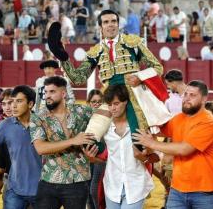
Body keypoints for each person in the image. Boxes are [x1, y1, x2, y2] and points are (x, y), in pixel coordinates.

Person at [48, 9, 167, 142]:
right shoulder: (96, 51)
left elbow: (158, 67)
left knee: (138, 140)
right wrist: (63, 58)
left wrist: (140, 77)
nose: (110, 25)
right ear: (101, 27)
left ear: (118, 24)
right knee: (90, 139)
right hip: (110, 97)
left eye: (113, 21)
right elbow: (78, 78)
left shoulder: (133, 43)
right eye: (106, 22)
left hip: (133, 95)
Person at [132, 80, 213, 208]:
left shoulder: (208, 121)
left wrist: (151, 143)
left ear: (204, 99)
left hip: (204, 191)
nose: (186, 98)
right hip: (178, 188)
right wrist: (142, 91)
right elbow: (158, 129)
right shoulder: (179, 118)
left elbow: (185, 149)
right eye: (185, 94)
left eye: (192, 95)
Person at [84, 85, 154, 209]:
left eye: (116, 103)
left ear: (125, 102)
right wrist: (92, 159)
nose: (113, 108)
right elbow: (106, 158)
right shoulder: (104, 127)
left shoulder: (138, 125)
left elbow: (156, 157)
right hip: (112, 185)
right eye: (109, 105)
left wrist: (147, 152)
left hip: (136, 185)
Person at [30, 76, 95, 208]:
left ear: (63, 93)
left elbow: (106, 116)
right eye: (46, 92)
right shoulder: (38, 117)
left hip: (77, 180)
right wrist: (73, 141)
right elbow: (40, 148)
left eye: (52, 92)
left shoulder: (82, 111)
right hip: (49, 179)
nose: (47, 96)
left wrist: (96, 150)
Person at [0, 85, 42, 208]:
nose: (13, 106)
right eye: (12, 101)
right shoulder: (5, 125)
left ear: (30, 104)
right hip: (14, 190)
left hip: (41, 190)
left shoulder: (43, 123)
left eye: (18, 101)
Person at [0, 89, 13, 199]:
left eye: (10, 102)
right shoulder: (2, 125)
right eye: (3, 104)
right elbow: (2, 156)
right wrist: (0, 179)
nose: (6, 107)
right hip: (9, 176)